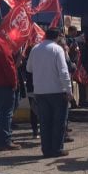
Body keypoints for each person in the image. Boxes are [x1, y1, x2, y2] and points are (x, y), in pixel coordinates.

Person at [27, 28, 72, 158]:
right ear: (57, 37)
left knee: (45, 122)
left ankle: (46, 149)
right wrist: (68, 90)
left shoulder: (35, 48)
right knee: (58, 122)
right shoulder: (57, 49)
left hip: (40, 91)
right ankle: (57, 149)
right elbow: (64, 72)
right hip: (57, 91)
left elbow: (28, 68)